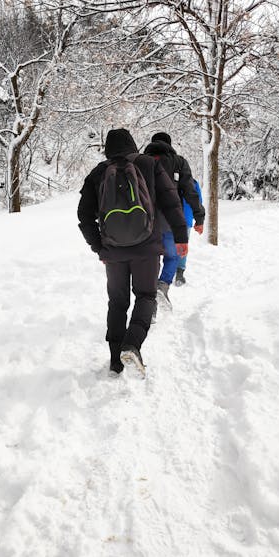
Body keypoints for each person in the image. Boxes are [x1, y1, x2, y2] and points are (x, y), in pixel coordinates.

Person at [77, 128, 188, 377]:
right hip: (147, 248)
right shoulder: (149, 164)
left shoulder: (98, 173)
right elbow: (171, 200)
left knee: (117, 302)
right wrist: (180, 236)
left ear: (107, 148)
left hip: (113, 251)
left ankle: (116, 360)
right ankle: (133, 345)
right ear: (133, 145)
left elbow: (84, 216)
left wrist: (99, 247)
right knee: (146, 296)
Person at [144, 132, 205, 305]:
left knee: (152, 259)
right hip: (172, 222)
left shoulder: (141, 162)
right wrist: (199, 217)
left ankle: (149, 300)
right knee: (172, 257)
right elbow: (191, 192)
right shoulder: (179, 162)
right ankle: (162, 286)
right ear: (169, 144)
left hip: (148, 223)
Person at [175, 178, 203, 286]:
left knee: (173, 245)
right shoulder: (192, 182)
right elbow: (198, 201)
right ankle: (179, 273)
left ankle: (177, 272)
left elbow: (198, 201)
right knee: (182, 245)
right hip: (184, 219)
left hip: (177, 219)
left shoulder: (167, 178)